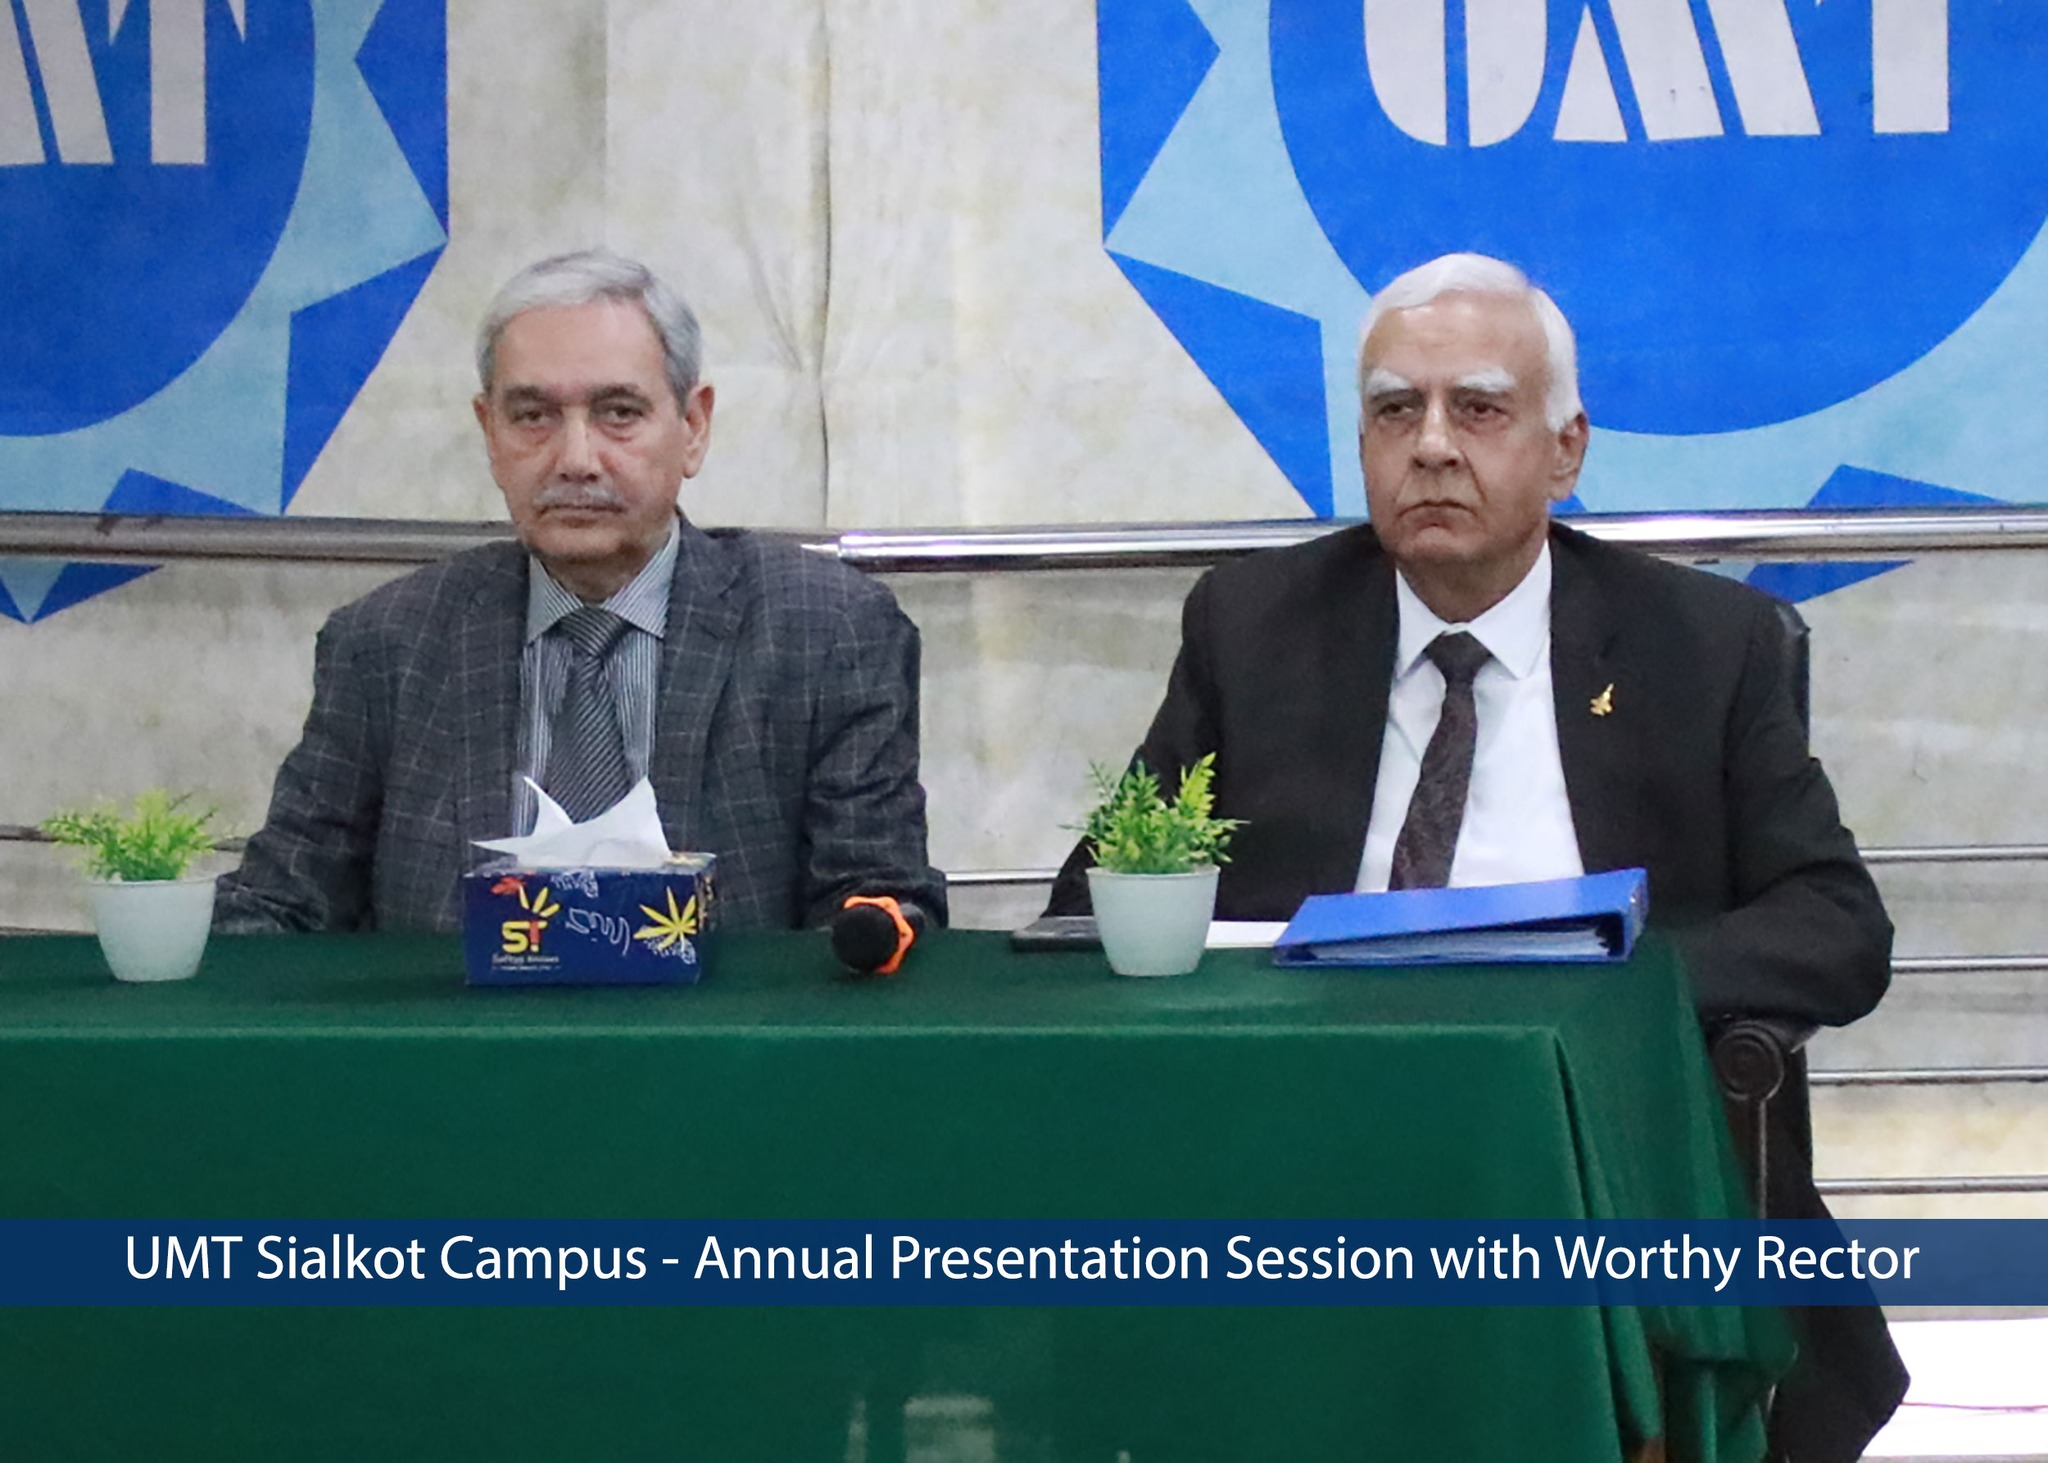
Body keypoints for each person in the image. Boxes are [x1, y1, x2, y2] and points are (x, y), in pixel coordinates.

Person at [1046, 252, 1904, 1461]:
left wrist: (1600, 984)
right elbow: (1098, 895)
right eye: (1396, 410)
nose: (1433, 446)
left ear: (1564, 449)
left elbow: (1835, 927)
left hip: (1585, 1157)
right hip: (1301, 1143)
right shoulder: (1253, 625)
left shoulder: (1701, 644)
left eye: (1480, 409)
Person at [218, 249, 944, 933]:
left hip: (725, 1027)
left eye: (618, 412)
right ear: (489, 432)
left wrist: (873, 930)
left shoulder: (826, 630)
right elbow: (284, 902)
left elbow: (873, 898)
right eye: (533, 416)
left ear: (693, 427)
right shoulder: (387, 643)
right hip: (458, 1029)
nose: (575, 459)